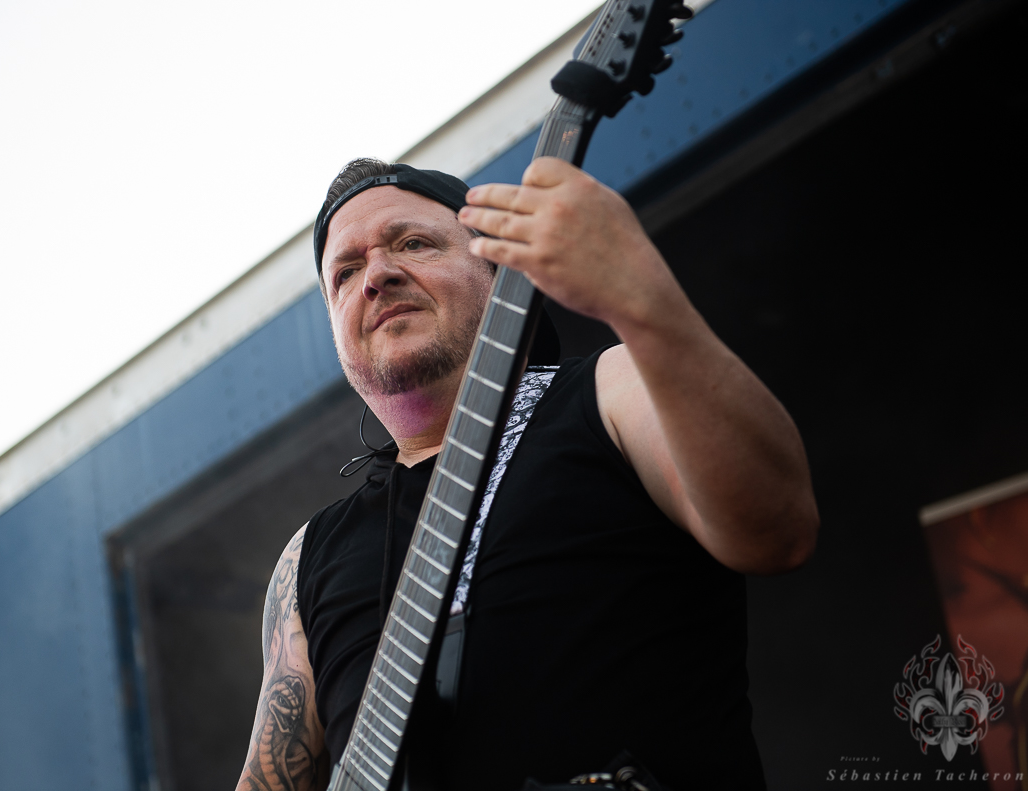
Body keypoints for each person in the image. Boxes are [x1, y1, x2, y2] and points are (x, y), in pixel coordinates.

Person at [235, 156, 819, 791]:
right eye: (345, 273)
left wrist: (640, 293)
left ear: (497, 269)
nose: (377, 275)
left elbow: (777, 528)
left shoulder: (613, 388)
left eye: (413, 243)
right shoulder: (306, 559)